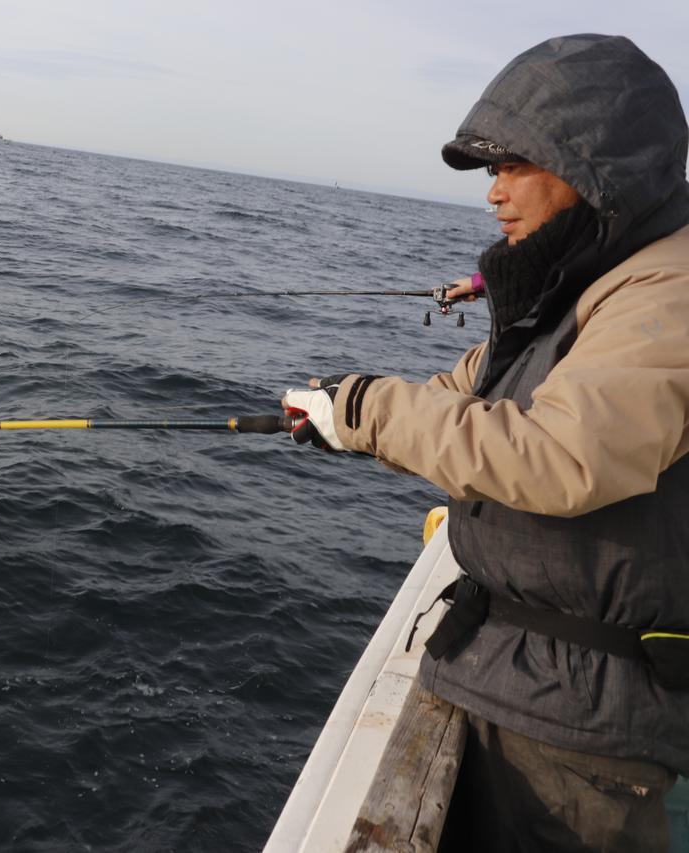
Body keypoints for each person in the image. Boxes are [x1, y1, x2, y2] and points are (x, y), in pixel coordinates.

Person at [282, 34, 689, 852]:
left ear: (594, 168)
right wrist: (345, 420)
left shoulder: (668, 290)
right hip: (522, 674)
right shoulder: (593, 279)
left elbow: (559, 454)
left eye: (511, 167)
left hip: (581, 726)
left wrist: (369, 410)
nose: (494, 194)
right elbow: (475, 385)